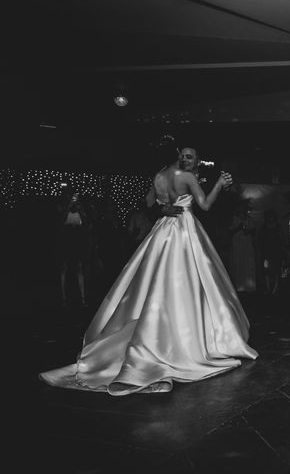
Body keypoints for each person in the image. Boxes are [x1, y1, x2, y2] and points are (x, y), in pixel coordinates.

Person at [39, 147, 258, 395]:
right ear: (178, 155)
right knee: (187, 280)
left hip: (162, 229)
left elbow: (147, 203)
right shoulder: (187, 177)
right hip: (184, 231)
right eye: (184, 155)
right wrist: (219, 183)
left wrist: (161, 210)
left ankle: (160, 330)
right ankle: (182, 338)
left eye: (190, 156)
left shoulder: (159, 175)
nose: (187, 159)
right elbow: (205, 205)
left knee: (157, 280)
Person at [56, 186, 91, 308]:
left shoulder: (80, 206)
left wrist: (80, 207)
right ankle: (63, 297)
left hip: (78, 238)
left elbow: (86, 221)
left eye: (74, 196)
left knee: (79, 267)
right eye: (71, 195)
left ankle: (82, 297)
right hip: (65, 238)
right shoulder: (62, 205)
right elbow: (60, 220)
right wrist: (68, 205)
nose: (73, 197)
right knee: (63, 267)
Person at [228, 200, 258, 293]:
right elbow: (230, 231)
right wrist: (238, 227)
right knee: (238, 262)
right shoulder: (234, 218)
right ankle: (238, 285)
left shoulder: (250, 219)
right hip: (237, 243)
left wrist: (249, 231)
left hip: (247, 243)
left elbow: (254, 231)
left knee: (248, 263)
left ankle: (249, 286)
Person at [258, 210, 287, 296]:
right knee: (266, 270)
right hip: (266, 253)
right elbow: (260, 240)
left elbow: (282, 239)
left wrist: (283, 250)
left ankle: (275, 288)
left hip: (276, 252)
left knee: (276, 270)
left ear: (274, 217)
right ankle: (268, 288)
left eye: (271, 216)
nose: (270, 218)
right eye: (268, 216)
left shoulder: (278, 227)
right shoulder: (263, 228)